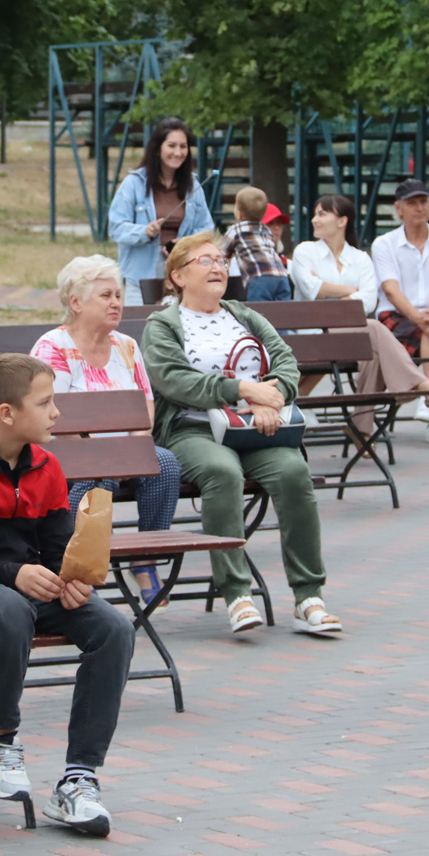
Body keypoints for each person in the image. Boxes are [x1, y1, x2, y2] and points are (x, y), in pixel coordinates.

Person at [0, 354, 136, 837]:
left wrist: (71, 578)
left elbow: (57, 548)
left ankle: (79, 778)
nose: (56, 413)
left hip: (28, 583)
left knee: (113, 627)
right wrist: (16, 574)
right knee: (11, 610)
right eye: (45, 402)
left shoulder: (47, 465)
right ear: (7, 413)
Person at [143, 232, 340, 636]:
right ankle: (237, 594)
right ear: (177, 276)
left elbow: (285, 361)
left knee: (292, 471)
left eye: (220, 260)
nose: (218, 267)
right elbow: (175, 381)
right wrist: (241, 389)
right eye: (205, 261)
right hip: (191, 428)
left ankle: (308, 597)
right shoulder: (164, 325)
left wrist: (272, 399)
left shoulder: (243, 315)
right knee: (222, 471)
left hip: (253, 426)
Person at [30, 255, 183, 606]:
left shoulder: (126, 347)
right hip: (71, 456)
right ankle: (81, 572)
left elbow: (144, 407)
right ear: (76, 302)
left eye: (118, 294)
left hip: (119, 450)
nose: (116, 302)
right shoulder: (53, 348)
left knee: (164, 464)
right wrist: (99, 456)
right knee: (94, 480)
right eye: (106, 295)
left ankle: (145, 560)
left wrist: (134, 450)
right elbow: (46, 414)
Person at [290, 194, 429, 424]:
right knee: (375, 330)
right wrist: (348, 290)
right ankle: (425, 387)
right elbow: (311, 290)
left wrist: (330, 291)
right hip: (313, 336)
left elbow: (368, 301)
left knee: (373, 351)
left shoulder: (360, 258)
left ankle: (361, 429)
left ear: (342, 221)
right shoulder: (305, 251)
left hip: (350, 337)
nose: (314, 220)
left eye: (322, 214)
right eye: (315, 214)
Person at [372, 178, 429, 446]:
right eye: (412, 203)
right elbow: (390, 290)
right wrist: (420, 317)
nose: (419, 208)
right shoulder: (384, 244)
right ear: (398, 208)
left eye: (424, 202)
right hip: (397, 316)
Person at [107, 118, 216, 304]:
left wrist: (186, 242)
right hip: (141, 276)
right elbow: (116, 228)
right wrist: (145, 231)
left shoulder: (193, 186)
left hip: (184, 275)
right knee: (141, 327)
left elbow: (207, 229)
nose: (178, 152)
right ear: (158, 149)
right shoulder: (133, 184)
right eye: (171, 146)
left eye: (183, 146)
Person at [222, 186, 291, 301]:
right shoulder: (265, 230)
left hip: (259, 277)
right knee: (282, 313)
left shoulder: (236, 230)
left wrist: (224, 269)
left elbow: (222, 254)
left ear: (239, 214)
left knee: (258, 314)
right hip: (282, 277)